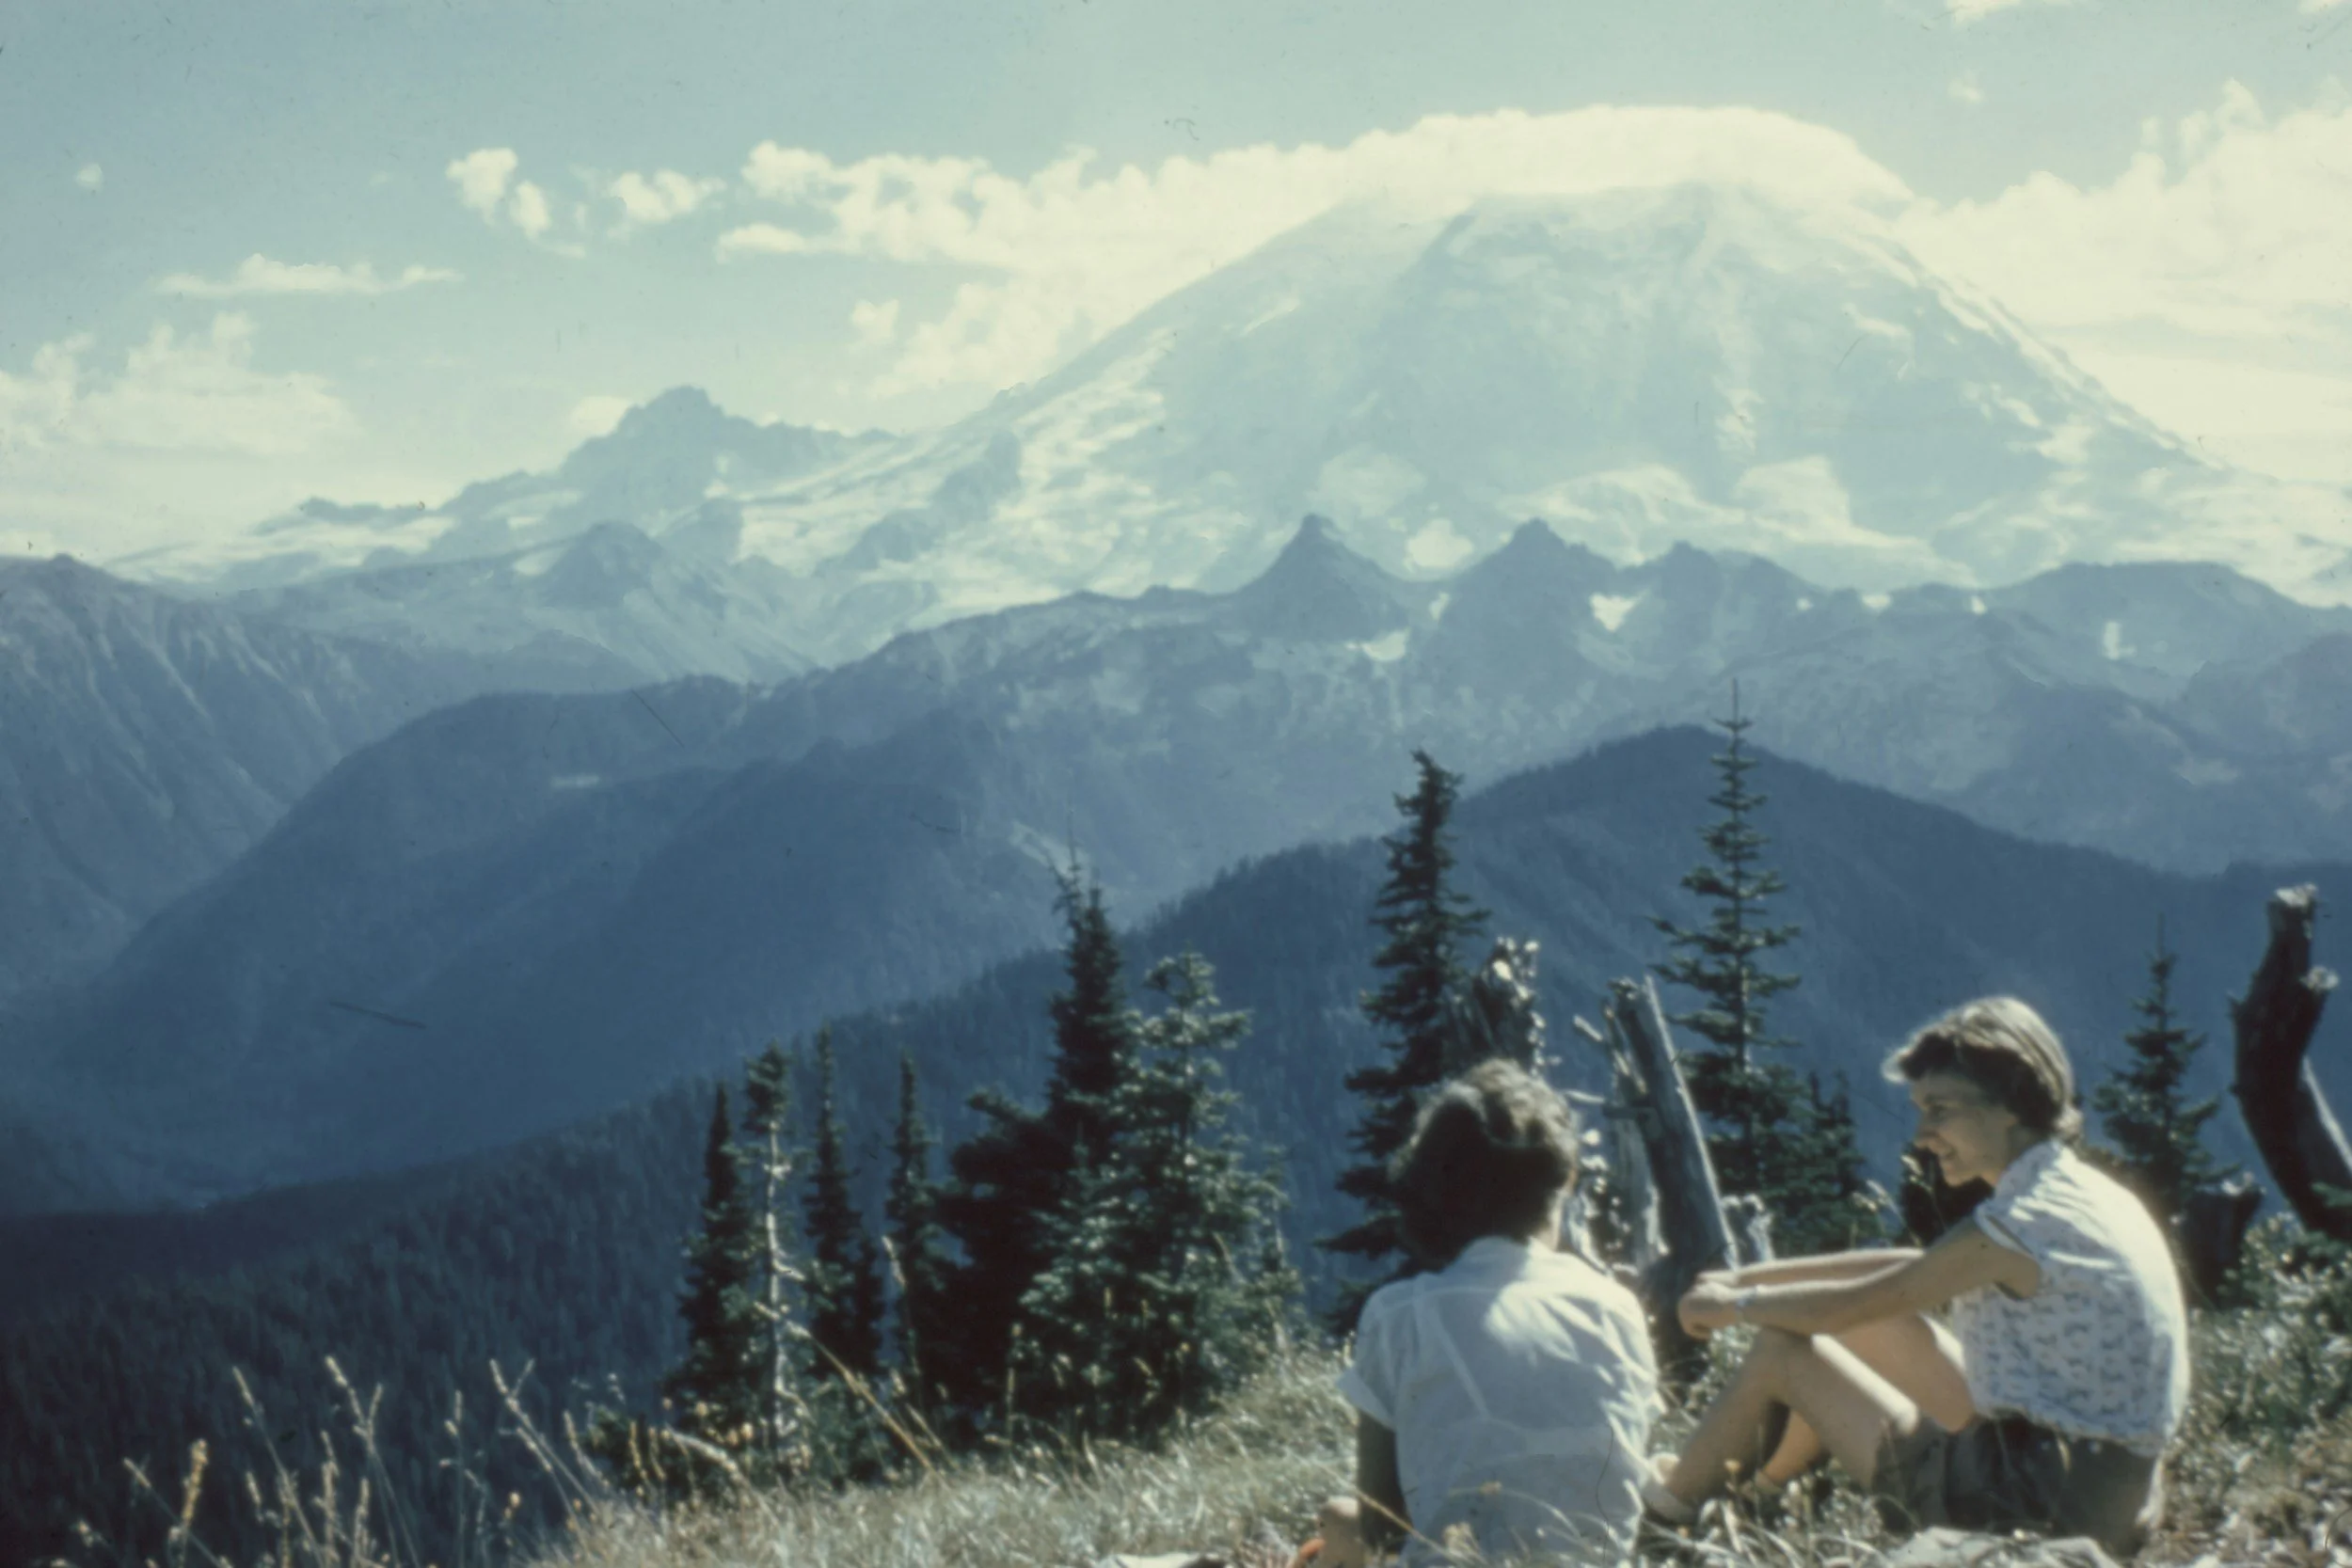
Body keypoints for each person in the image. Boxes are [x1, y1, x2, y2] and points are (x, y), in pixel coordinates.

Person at [1646, 997, 2190, 1557]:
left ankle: (1661, 1525)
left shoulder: (2021, 1222)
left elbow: (1846, 1305)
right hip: (2109, 1491)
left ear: (2011, 1104)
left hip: (2034, 1502)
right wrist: (1736, 1280)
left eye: (1940, 1110)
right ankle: (1750, 1498)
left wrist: (1736, 1307)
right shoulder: (2076, 1194)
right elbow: (1911, 1270)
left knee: (1782, 1351)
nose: (1922, 1135)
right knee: (1861, 1326)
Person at [1321, 1059, 1661, 1566]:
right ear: (1566, 1180)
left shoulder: (1400, 1315)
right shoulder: (1617, 1307)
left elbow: (1381, 1525)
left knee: (1339, 1520)